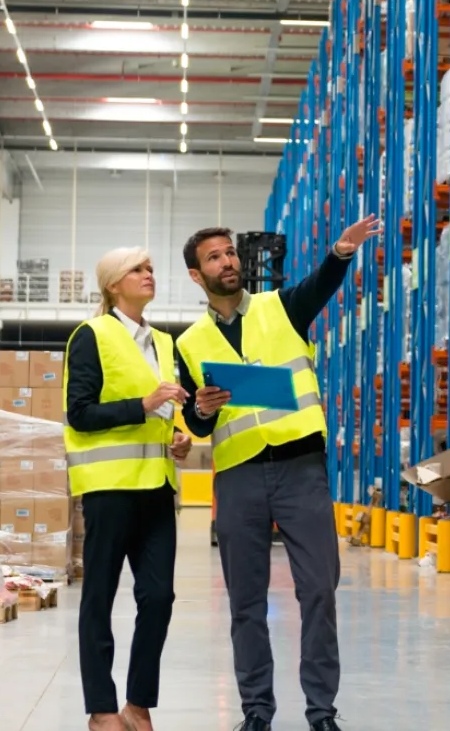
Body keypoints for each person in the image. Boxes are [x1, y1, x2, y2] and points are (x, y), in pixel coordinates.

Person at [175, 217, 381, 731]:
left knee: (318, 589)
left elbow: (320, 286)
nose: (228, 262)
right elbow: (197, 425)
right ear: (197, 276)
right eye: (215, 258)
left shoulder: (279, 308)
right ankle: (256, 712)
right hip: (240, 477)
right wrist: (201, 408)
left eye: (230, 253)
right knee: (245, 601)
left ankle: (321, 712)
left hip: (300, 468)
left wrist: (340, 253)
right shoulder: (190, 343)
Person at [63, 247, 193, 731]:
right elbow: (80, 413)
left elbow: (161, 412)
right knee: (99, 595)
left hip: (158, 487)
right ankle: (101, 709)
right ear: (114, 284)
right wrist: (142, 404)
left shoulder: (162, 341)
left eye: (151, 269)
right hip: (110, 488)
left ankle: (137, 707)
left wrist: (177, 437)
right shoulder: (91, 336)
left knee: (159, 597)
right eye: (138, 270)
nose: (148, 275)